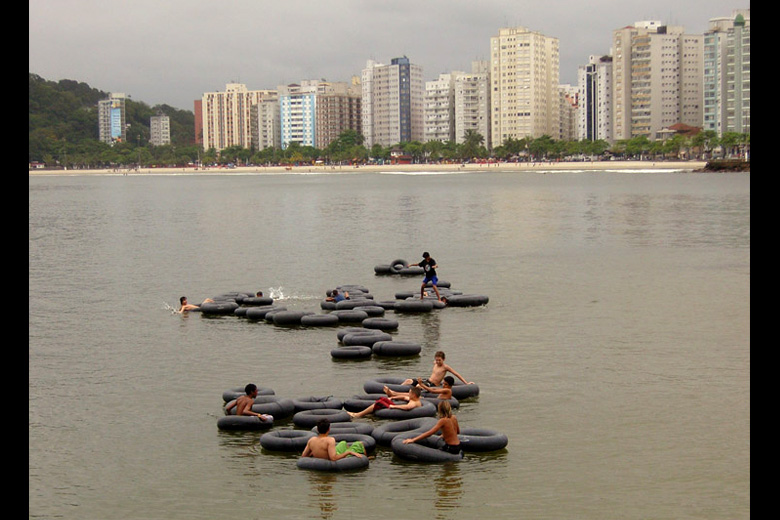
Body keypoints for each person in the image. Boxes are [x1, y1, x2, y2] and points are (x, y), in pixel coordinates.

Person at [401, 351, 475, 387]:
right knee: (408, 381)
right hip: (427, 380)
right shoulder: (435, 363)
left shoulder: (445, 367)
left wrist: (466, 383)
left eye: (439, 360)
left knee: (418, 386)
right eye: (437, 360)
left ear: (444, 359)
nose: (438, 362)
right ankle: (398, 388)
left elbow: (456, 374)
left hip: (433, 384)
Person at [302, 418, 366, 460]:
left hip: (325, 455)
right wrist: (348, 452)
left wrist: (315, 452)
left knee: (343, 443)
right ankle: (365, 459)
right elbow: (333, 458)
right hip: (330, 459)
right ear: (329, 429)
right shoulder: (330, 440)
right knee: (360, 443)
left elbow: (304, 455)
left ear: (317, 429)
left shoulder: (311, 440)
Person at [348, 386, 423, 418]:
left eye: (409, 393)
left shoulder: (413, 403)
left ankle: (358, 415)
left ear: (413, 395)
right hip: (396, 407)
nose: (408, 394)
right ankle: (368, 413)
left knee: (379, 402)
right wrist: (392, 398)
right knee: (383, 399)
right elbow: (404, 397)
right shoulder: (413, 399)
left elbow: (407, 407)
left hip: (397, 410)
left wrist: (394, 406)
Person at [384, 375, 454, 401]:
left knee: (414, 395)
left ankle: (393, 394)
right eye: (444, 383)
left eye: (446, 384)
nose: (444, 385)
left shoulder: (448, 390)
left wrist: (421, 384)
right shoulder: (444, 389)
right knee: (412, 394)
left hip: (433, 402)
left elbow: (433, 391)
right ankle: (394, 393)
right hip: (434, 401)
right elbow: (434, 389)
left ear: (450, 385)